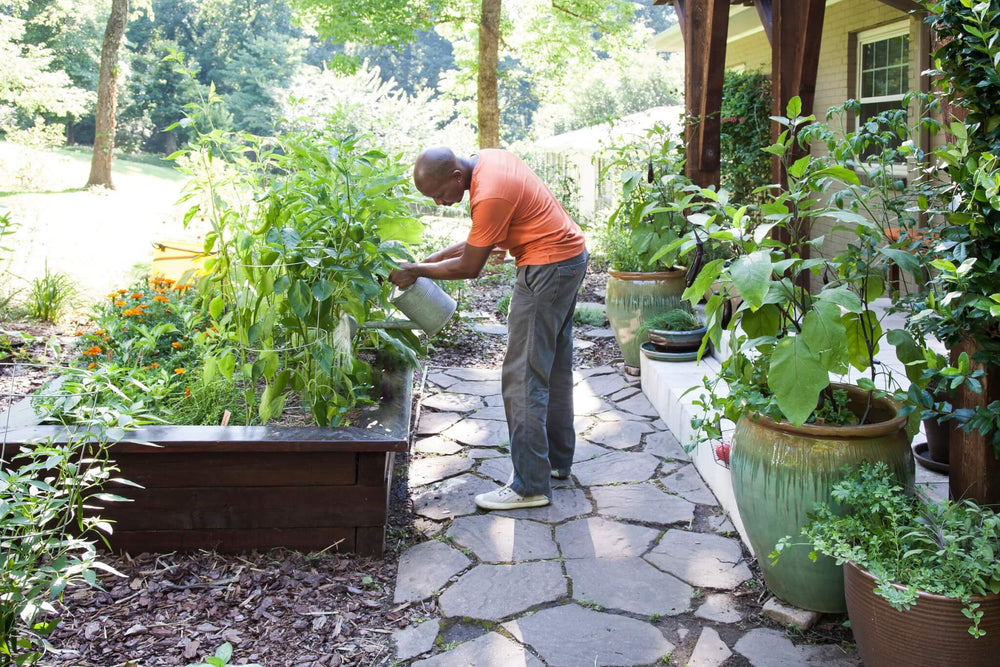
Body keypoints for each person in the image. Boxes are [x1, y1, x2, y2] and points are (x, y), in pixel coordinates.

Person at [389, 146, 588, 510]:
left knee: (522, 377)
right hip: (567, 259)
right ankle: (556, 463)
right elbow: (488, 234)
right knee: (554, 369)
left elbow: (471, 266)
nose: (438, 202)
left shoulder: (490, 190)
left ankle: (529, 486)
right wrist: (431, 260)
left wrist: (416, 270)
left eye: (438, 194)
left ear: (456, 177)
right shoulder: (489, 161)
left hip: (545, 269)